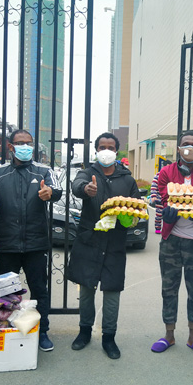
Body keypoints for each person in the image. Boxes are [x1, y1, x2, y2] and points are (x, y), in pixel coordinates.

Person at [0, 129, 62, 352]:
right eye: (20, 143)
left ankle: (42, 331)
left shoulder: (43, 171)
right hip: (7, 245)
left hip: (36, 244)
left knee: (39, 290)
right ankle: (5, 329)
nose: (25, 147)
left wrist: (50, 193)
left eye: (28, 143)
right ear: (10, 146)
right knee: (5, 292)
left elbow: (57, 191)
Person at [67, 133, 141, 360]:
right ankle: (84, 331)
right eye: (102, 147)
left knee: (112, 291)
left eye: (110, 147)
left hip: (115, 242)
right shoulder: (87, 173)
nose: (106, 150)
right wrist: (86, 189)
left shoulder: (127, 179)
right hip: (89, 240)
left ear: (116, 151)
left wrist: (128, 218)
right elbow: (77, 186)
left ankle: (109, 337)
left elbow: (136, 208)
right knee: (86, 290)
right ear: (96, 150)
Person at [150, 132, 193, 356]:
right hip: (171, 240)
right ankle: (169, 335)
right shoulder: (166, 172)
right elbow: (164, 197)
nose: (189, 148)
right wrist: (167, 213)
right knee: (168, 290)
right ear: (178, 148)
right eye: (185, 144)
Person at [150, 160, 172, 234]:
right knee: (159, 215)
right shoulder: (158, 176)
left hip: (169, 199)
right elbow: (154, 186)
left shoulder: (172, 176)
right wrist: (153, 196)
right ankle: (158, 228)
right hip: (159, 198)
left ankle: (166, 229)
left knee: (168, 215)